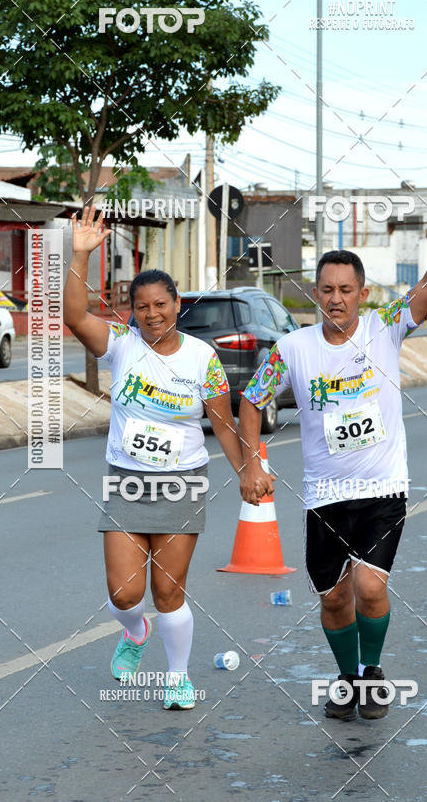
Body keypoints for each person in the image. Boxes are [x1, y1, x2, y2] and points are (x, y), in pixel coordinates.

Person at [239, 184, 427, 721]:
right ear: (315, 292)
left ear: (362, 292)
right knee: (333, 598)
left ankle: (372, 672)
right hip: (325, 495)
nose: (336, 299)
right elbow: (252, 402)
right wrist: (252, 461)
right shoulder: (292, 349)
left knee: (370, 587)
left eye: (346, 290)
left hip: (382, 488)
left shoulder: (384, 327)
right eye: (327, 289)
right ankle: (347, 678)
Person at [64, 205, 260, 710]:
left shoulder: (202, 357)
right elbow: (75, 316)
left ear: (176, 305)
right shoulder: (121, 345)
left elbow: (223, 424)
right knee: (125, 595)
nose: (152, 314)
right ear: (132, 311)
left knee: (169, 592)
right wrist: (80, 255)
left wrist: (248, 472)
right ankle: (135, 633)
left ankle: (177, 678)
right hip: (127, 480)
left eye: (161, 304)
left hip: (181, 482)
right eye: (142, 306)